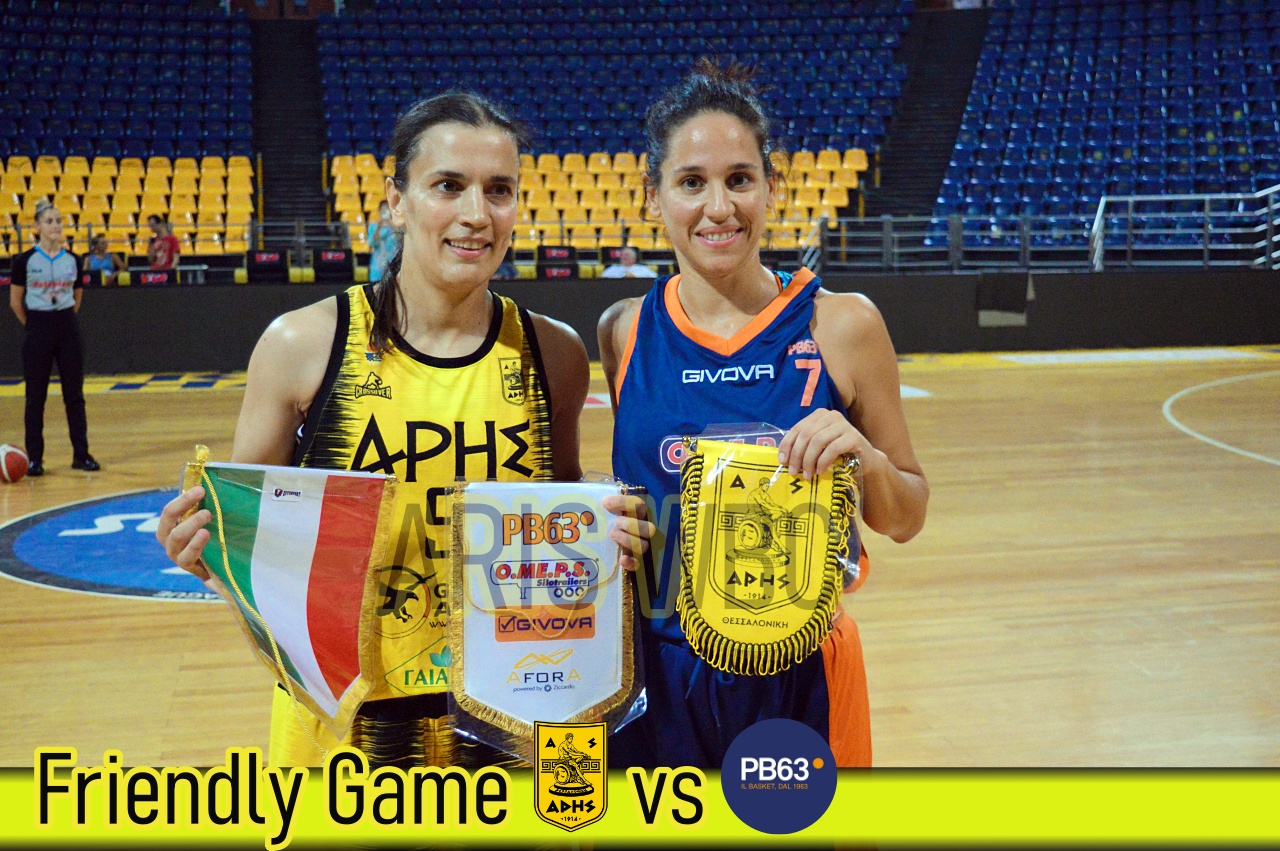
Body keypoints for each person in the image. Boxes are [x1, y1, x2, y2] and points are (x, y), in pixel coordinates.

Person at [156, 92, 652, 769]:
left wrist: (611, 524)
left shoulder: (554, 353)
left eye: (498, 190)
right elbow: (252, 535)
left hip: (515, 707)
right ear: (397, 200)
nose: (476, 213)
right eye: (448, 186)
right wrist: (200, 544)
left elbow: (558, 514)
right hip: (345, 721)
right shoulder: (303, 344)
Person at [597, 61, 928, 769]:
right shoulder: (624, 331)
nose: (719, 207)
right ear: (653, 197)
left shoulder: (842, 325)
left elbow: (906, 516)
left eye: (740, 179)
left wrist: (864, 459)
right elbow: (636, 493)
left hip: (799, 674)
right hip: (650, 670)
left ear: (772, 187)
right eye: (692, 182)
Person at [8, 199, 101, 475]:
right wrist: (34, 326)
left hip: (67, 327)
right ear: (37, 226)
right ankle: (35, 459)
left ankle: (81, 455)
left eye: (59, 221)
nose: (56, 226)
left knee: (74, 396)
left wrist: (63, 321)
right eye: (49, 221)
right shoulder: (24, 261)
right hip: (38, 327)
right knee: (35, 397)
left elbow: (77, 296)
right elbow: (15, 302)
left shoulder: (73, 260)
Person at [366, 199, 398, 282]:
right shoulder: (373, 227)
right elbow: (372, 243)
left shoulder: (397, 226)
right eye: (383, 209)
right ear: (379, 211)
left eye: (387, 209)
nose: (385, 211)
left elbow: (400, 240)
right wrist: (378, 228)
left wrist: (391, 224)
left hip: (394, 267)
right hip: (377, 269)